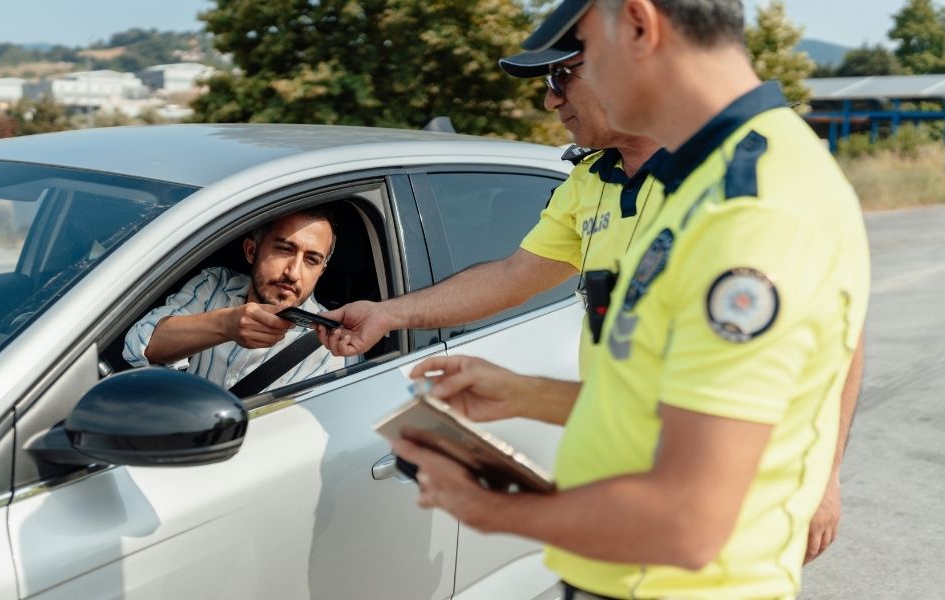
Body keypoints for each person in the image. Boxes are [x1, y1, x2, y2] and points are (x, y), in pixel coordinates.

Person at [391, 2, 870, 599]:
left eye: (577, 56)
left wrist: (490, 509)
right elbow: (667, 401)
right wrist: (524, 394)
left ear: (640, 26)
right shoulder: (696, 178)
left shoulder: (750, 208)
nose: (550, 98)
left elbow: (689, 522)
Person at [319, 46, 665, 402]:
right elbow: (512, 277)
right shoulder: (589, 180)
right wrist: (385, 314)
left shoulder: (716, 178)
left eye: (560, 78)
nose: (550, 101)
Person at [123, 208, 345, 393]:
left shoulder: (332, 348)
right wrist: (225, 324)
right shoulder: (214, 285)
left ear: (321, 271)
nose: (293, 273)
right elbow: (139, 344)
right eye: (284, 249)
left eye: (311, 260)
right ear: (251, 250)